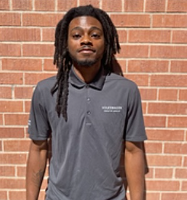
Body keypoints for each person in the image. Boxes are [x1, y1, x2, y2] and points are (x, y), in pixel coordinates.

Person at [26, 5, 147, 200]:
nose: (86, 40)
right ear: (65, 43)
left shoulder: (126, 91)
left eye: (95, 35)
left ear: (106, 42)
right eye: (76, 35)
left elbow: (133, 151)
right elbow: (38, 150)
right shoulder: (46, 91)